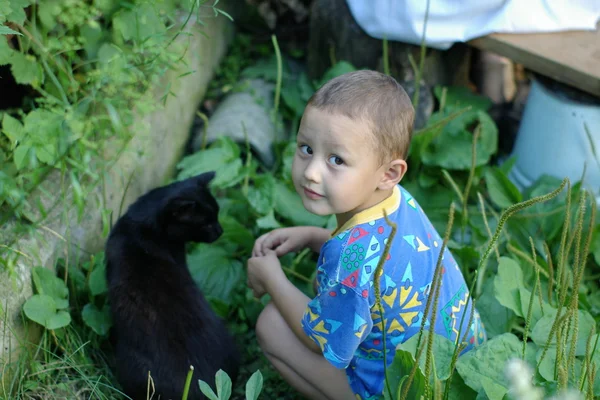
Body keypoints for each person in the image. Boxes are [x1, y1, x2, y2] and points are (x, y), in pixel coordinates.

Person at [246, 70, 487, 400]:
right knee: (330, 290)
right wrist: (315, 236)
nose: (312, 172)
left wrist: (272, 277)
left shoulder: (350, 260)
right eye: (305, 148)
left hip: (402, 391)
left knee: (271, 324)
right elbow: (380, 259)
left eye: (336, 160)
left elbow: (320, 341)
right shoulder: (399, 201)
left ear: (389, 173)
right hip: (461, 371)